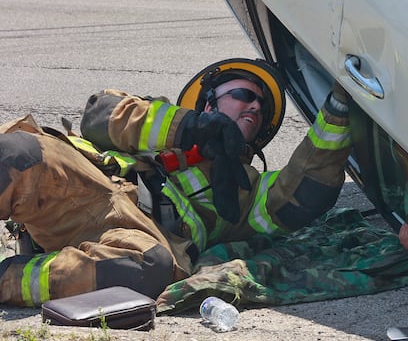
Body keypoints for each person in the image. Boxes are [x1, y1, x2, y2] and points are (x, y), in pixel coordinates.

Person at [0, 58, 352, 307]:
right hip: (89, 189)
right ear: (209, 101)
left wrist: (338, 109)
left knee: (150, 270)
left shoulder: (248, 186)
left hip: (140, 232)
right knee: (20, 156)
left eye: (262, 106)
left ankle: (8, 278)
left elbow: (304, 192)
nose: (256, 107)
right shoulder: (162, 119)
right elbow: (98, 115)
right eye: (245, 95)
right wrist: (191, 128)